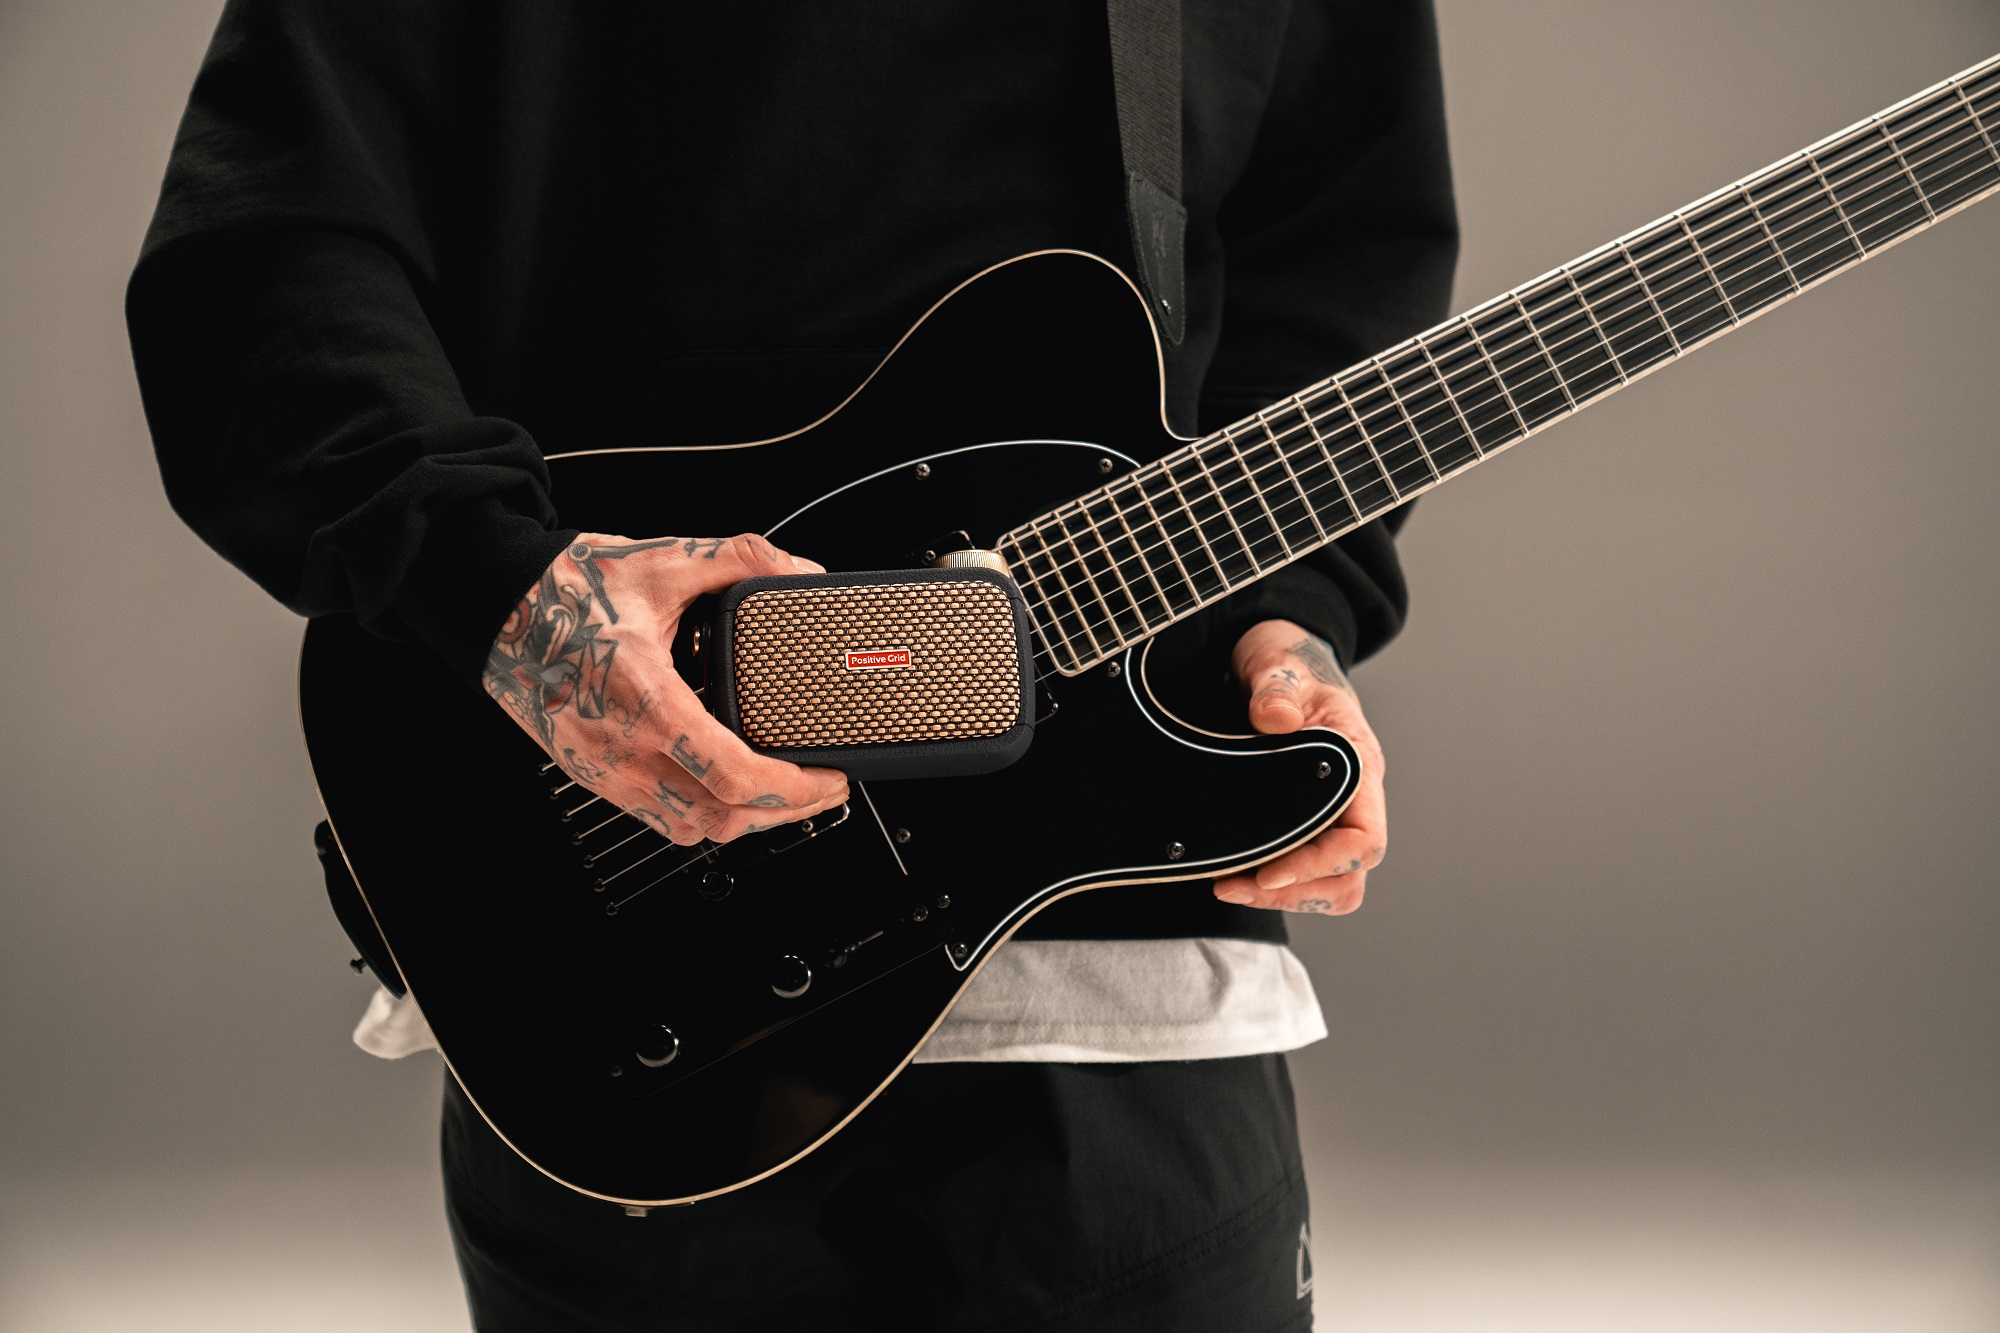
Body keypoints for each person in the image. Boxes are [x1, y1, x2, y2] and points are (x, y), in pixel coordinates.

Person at [128, 2, 1456, 1327]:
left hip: (1130, 997)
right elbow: (261, 243)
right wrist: (498, 587)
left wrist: (1289, 617)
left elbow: (1335, 265)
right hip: (627, 967)